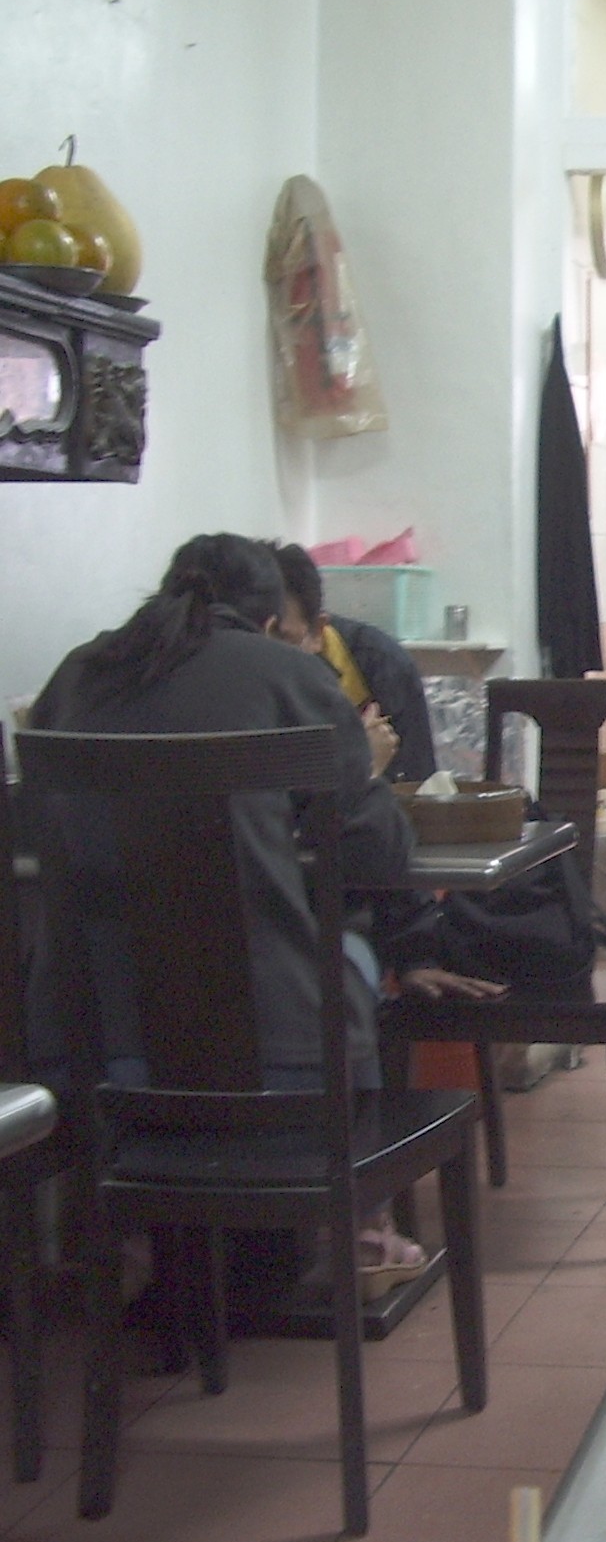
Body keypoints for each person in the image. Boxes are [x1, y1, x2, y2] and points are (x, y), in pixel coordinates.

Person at [24, 534, 435, 1313]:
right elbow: (381, 850)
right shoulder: (290, 673)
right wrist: (361, 778)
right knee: (344, 949)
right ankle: (361, 1229)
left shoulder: (76, 674)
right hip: (272, 1064)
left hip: (84, 1059)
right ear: (273, 621)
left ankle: (125, 1235)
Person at [270, 540, 437, 783]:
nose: (263, 653)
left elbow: (418, 791)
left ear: (318, 630)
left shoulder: (381, 665)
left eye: (281, 638)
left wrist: (362, 767)